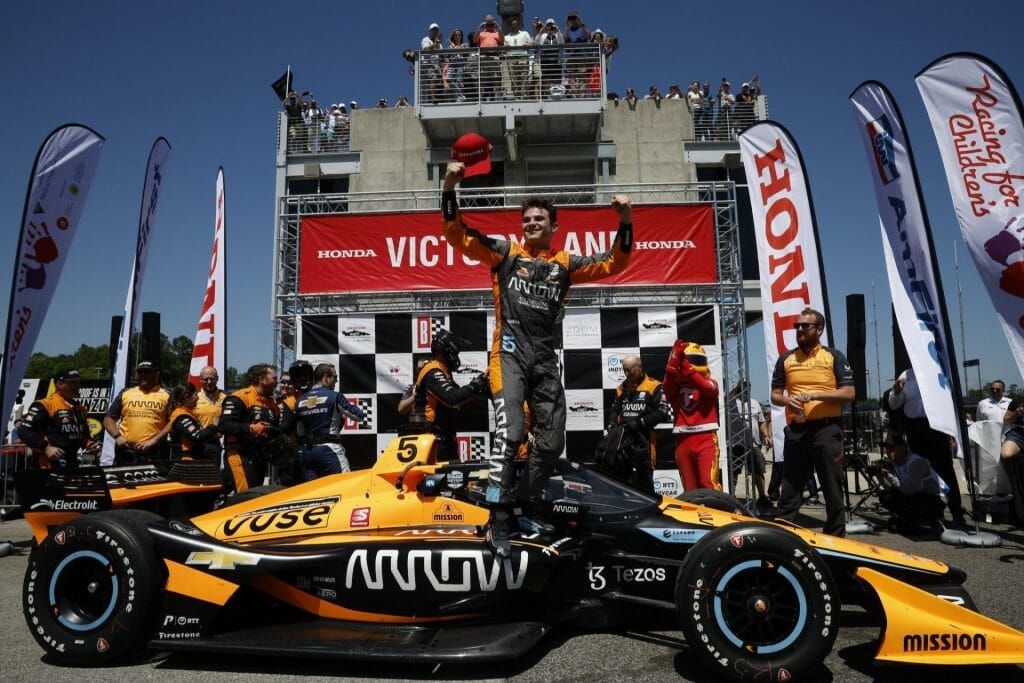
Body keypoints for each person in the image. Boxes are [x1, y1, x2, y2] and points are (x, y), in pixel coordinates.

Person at [441, 159, 633, 555]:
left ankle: (523, 504)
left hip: (545, 359)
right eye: (527, 218)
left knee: (550, 442)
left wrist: (626, 219)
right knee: (511, 434)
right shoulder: (504, 253)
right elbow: (456, 235)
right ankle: (496, 518)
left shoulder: (565, 264)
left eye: (539, 218)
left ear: (553, 225)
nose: (531, 223)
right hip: (508, 354)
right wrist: (448, 187)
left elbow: (616, 262)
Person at [771, 308, 855, 537]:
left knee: (832, 488)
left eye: (804, 326)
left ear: (819, 329)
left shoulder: (834, 356)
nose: (799, 329)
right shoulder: (786, 359)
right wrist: (788, 400)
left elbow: (848, 393)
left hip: (827, 430)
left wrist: (816, 395)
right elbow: (775, 395)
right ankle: (781, 539)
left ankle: (836, 540)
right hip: (797, 431)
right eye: (797, 325)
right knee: (789, 490)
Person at [887, 367, 966, 525]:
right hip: (915, 426)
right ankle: (932, 511)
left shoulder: (938, 368)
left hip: (937, 425)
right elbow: (894, 405)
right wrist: (896, 392)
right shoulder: (906, 375)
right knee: (921, 468)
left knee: (945, 468)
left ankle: (956, 510)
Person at [412, 330, 488, 461]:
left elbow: (460, 398)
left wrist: (480, 384)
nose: (455, 357)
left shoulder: (443, 372)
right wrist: (474, 385)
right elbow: (452, 398)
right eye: (453, 353)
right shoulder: (433, 371)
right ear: (442, 353)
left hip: (443, 437)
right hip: (431, 439)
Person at [604, 354, 671, 493]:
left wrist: (638, 423)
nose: (626, 374)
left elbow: (662, 413)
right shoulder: (622, 388)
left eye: (630, 370)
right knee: (618, 483)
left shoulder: (655, 386)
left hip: (643, 441)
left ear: (639, 368)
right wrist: (611, 425)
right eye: (624, 370)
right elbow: (615, 410)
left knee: (644, 484)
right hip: (622, 442)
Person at [664, 341, 721, 491]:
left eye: (697, 360)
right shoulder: (675, 387)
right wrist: (672, 364)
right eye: (689, 360)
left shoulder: (711, 383)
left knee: (709, 484)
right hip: (683, 440)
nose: (691, 364)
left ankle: (718, 513)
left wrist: (686, 368)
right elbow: (667, 387)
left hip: (706, 439)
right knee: (690, 488)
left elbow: (706, 388)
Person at [294, 363, 367, 479]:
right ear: (326, 378)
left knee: (313, 492)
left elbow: (300, 432)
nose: (336, 381)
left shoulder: (300, 401)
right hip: (329, 450)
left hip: (308, 453)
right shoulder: (334, 396)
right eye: (335, 377)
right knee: (344, 486)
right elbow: (359, 416)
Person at [218, 363, 281, 492]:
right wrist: (252, 428)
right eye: (274, 378)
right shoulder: (239, 397)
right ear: (262, 379)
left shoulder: (273, 405)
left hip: (259, 457)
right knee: (245, 497)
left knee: (255, 496)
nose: (278, 382)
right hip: (239, 455)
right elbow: (224, 425)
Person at [18, 369, 97, 470]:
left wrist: (93, 445)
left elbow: (84, 436)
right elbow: (23, 430)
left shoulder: (80, 409)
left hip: (73, 463)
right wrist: (45, 447)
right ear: (59, 384)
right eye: (73, 383)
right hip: (47, 464)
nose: (78, 386)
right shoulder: (45, 405)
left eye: (78, 382)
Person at [875, 428, 948, 535]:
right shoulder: (895, 462)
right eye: (886, 447)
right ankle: (909, 520)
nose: (888, 450)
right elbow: (892, 489)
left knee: (912, 499)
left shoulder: (916, 462)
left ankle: (933, 521)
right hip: (918, 494)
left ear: (903, 447)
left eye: (892, 447)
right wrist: (879, 476)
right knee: (886, 496)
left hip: (936, 499)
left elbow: (908, 490)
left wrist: (888, 475)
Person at [103, 360, 172, 465]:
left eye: (147, 372)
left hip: (154, 451)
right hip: (126, 450)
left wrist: (154, 440)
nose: (143, 375)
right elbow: (109, 418)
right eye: (140, 372)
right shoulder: (126, 393)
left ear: (157, 375)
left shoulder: (167, 395)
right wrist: (117, 437)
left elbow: (173, 422)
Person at [728, 380, 771, 506]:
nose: (745, 389)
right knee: (734, 471)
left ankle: (762, 496)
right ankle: (731, 496)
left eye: (747, 387)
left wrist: (767, 435)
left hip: (753, 444)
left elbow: (761, 421)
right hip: (736, 443)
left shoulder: (755, 403)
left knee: (758, 470)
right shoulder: (730, 403)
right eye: (742, 387)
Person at [167, 383, 220, 461]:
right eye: (195, 394)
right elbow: (196, 436)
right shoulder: (181, 416)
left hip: (192, 458)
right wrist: (213, 426)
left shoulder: (187, 413)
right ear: (187, 397)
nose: (198, 398)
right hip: (186, 460)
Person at [999, 397, 1024, 526]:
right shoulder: (1017, 401)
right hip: (1018, 432)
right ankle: (1013, 482)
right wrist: (1016, 414)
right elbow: (1006, 420)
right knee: (1005, 455)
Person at [502, 17, 532, 98]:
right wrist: (506, 47)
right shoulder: (506, 37)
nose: (514, 26)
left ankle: (524, 96)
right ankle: (517, 96)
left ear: (518, 25)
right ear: (509, 26)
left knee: (524, 77)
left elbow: (530, 43)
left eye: (515, 24)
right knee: (514, 78)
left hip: (523, 57)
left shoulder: (524, 33)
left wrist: (527, 45)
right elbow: (504, 48)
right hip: (511, 58)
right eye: (512, 24)